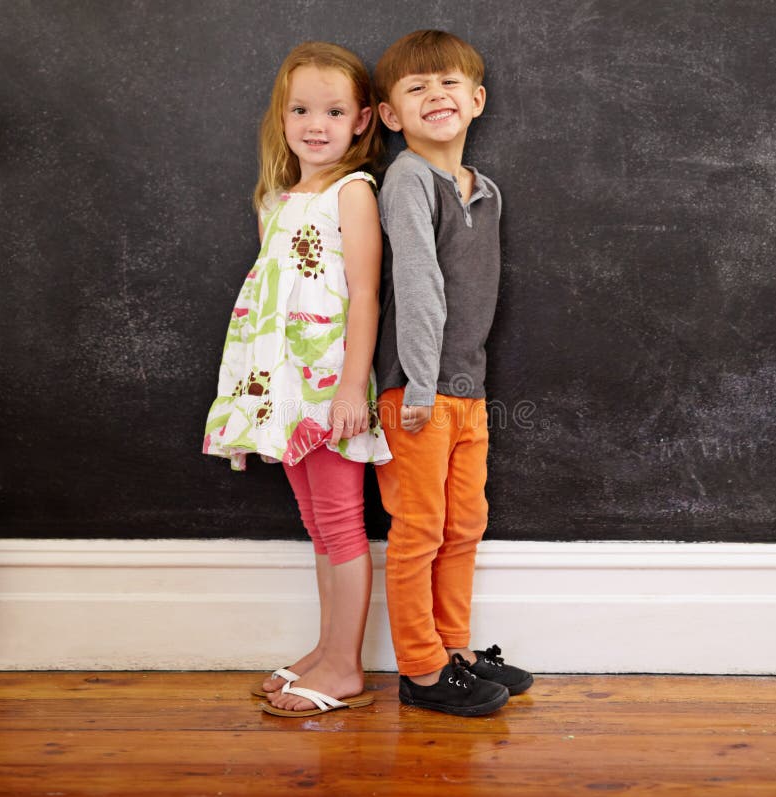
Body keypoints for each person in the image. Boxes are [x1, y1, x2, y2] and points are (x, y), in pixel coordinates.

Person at [203, 41, 391, 717]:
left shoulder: (353, 193)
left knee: (342, 522)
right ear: (281, 119)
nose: (318, 123)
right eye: (302, 109)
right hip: (282, 389)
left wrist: (349, 389)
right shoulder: (278, 199)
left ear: (363, 119)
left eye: (334, 110)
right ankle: (325, 647)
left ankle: (346, 665)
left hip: (329, 388)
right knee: (317, 523)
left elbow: (364, 295)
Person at [373, 30, 533, 716]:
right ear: (390, 115)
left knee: (465, 522)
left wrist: (464, 385)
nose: (434, 95)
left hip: (467, 389)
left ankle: (454, 649)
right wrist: (417, 381)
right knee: (420, 528)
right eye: (415, 88)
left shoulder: (485, 191)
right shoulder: (408, 178)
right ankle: (421, 668)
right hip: (417, 390)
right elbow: (416, 284)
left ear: (476, 100)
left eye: (447, 84)